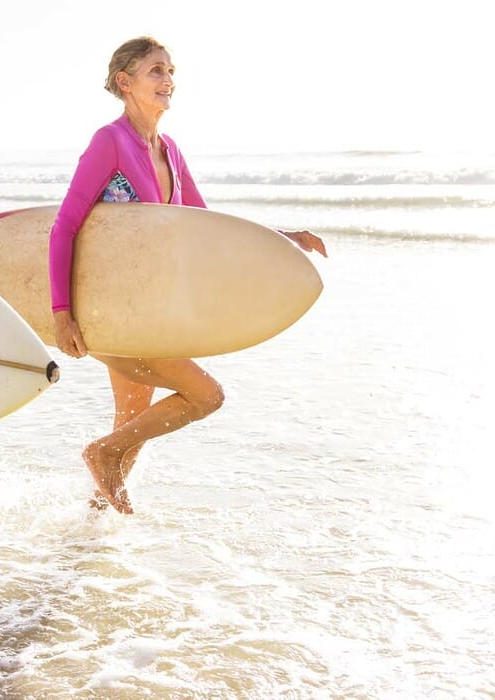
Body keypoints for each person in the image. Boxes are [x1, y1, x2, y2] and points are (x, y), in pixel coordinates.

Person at [48, 36, 329, 515]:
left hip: (153, 312)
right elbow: (65, 226)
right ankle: (101, 455)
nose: (168, 80)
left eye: (171, 71)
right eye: (156, 70)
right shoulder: (109, 142)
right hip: (120, 311)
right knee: (205, 396)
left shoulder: (170, 150)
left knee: (132, 421)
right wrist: (62, 313)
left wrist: (280, 236)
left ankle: (89, 532)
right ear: (125, 82)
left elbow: (206, 224)